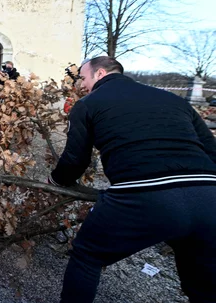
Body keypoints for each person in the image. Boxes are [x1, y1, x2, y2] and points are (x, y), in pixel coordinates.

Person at [48, 56, 216, 303]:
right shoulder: (174, 100)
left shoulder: (88, 104)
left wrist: (56, 181)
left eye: (83, 78)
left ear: (100, 73)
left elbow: (75, 160)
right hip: (208, 196)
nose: (80, 85)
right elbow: (211, 151)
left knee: (87, 255)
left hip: (143, 195)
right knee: (203, 281)